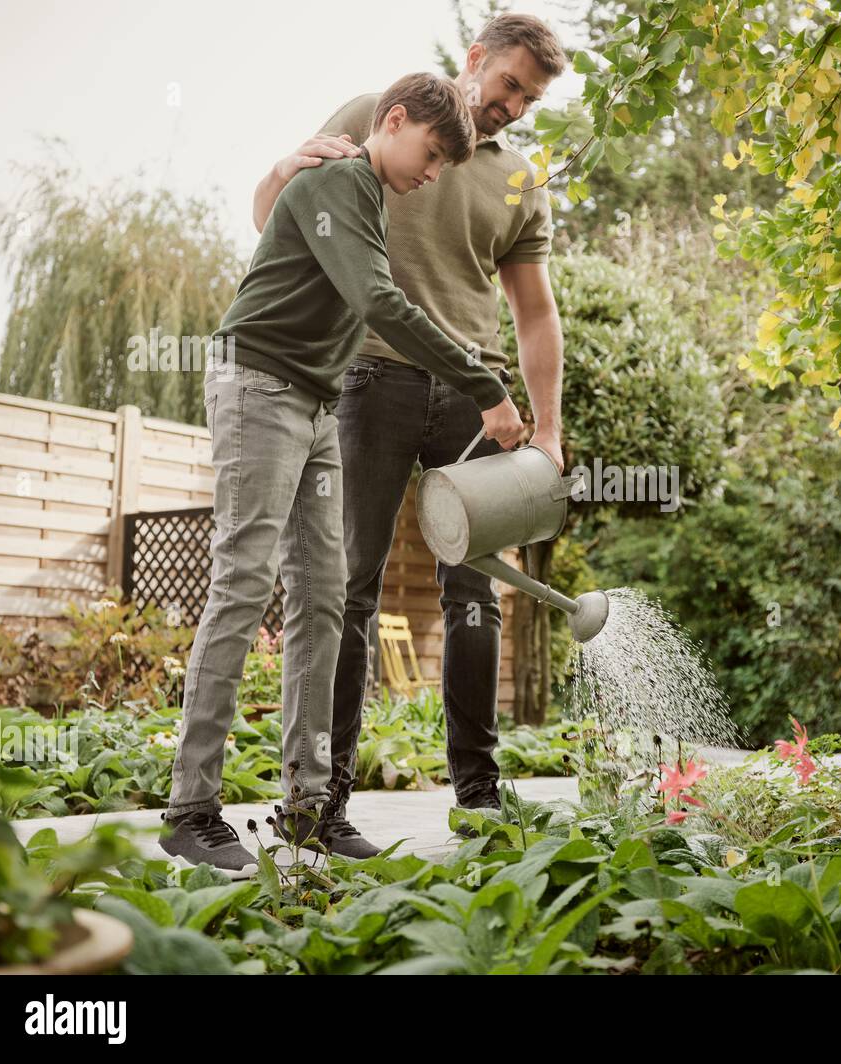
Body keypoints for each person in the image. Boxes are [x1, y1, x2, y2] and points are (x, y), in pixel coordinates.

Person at [161, 72, 524, 877]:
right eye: (430, 156)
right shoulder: (337, 180)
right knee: (244, 581)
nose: (432, 176)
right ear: (392, 121)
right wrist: (486, 384)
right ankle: (190, 807)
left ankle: (309, 809)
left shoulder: (369, 192)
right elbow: (381, 304)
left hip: (318, 401)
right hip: (258, 383)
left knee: (325, 596)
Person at [251, 13, 568, 854]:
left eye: (530, 99)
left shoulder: (519, 180)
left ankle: (481, 795)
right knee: (349, 587)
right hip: (370, 378)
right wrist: (284, 164)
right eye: (508, 85)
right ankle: (321, 802)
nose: (514, 107)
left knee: (476, 591)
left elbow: (536, 313)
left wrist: (549, 428)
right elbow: (276, 217)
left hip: (476, 397)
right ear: (475, 60)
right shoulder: (377, 112)